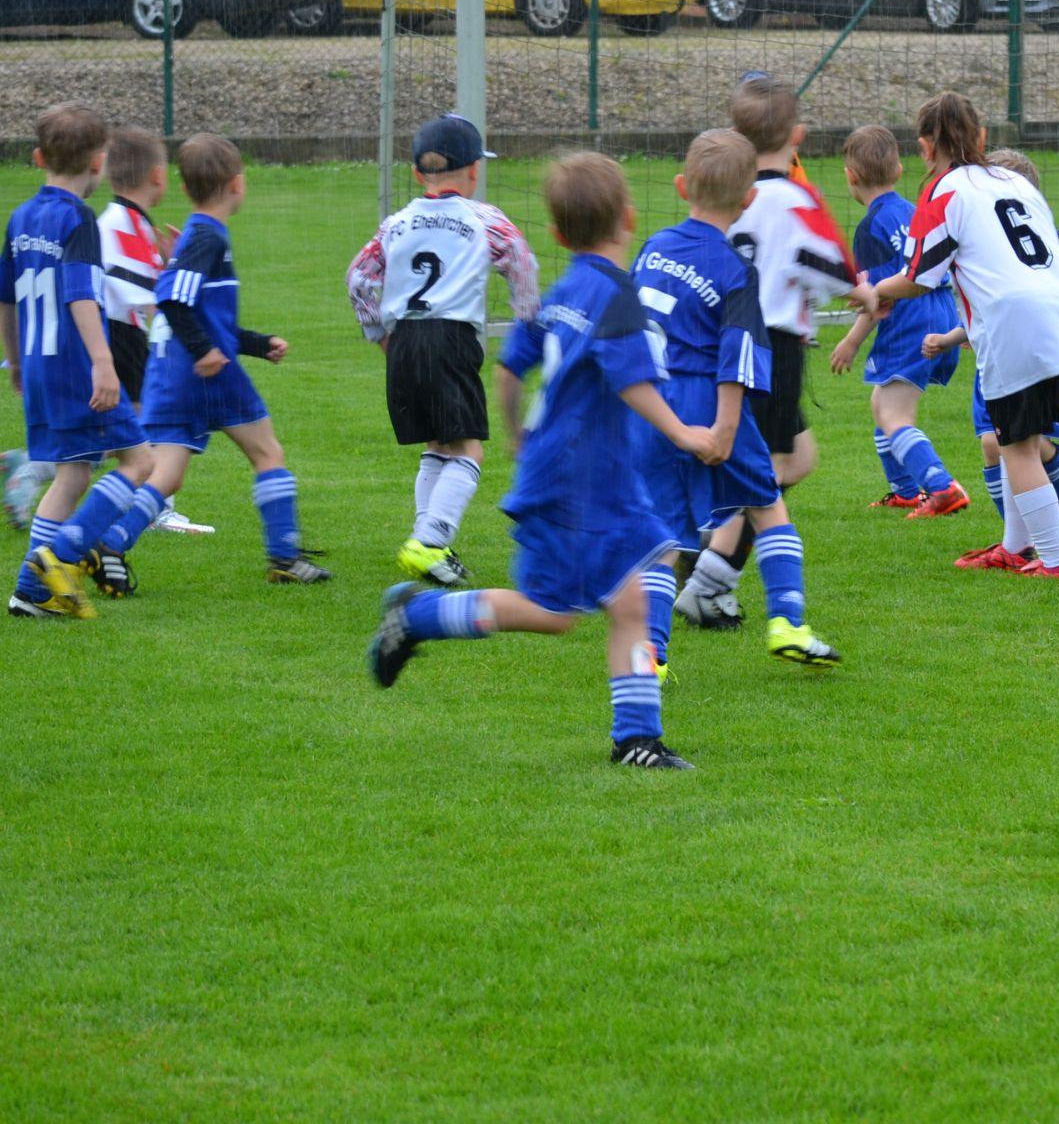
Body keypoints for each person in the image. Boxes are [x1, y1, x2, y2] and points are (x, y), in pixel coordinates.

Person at [368, 152, 722, 770]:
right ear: (630, 218)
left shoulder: (565, 291)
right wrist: (685, 433)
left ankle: (636, 739)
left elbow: (510, 366)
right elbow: (632, 381)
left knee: (631, 591)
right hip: (581, 485)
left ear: (557, 234)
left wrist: (516, 437)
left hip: (584, 477)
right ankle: (417, 614)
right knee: (557, 611)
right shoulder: (616, 295)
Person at [631, 129, 843, 670]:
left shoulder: (654, 248)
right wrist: (726, 427)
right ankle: (787, 623)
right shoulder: (734, 270)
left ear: (682, 186)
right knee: (767, 503)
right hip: (707, 400)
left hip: (653, 405)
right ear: (748, 199)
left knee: (662, 537)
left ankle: (651, 655)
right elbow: (737, 355)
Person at [850, 92, 1059, 578]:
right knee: (1016, 437)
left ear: (924, 147)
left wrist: (874, 291)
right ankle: (1015, 547)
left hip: (1015, 321)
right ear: (980, 136)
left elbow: (919, 276)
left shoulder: (944, 192)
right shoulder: (1013, 181)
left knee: (1016, 445)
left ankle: (1054, 561)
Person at [680, 75, 857, 629]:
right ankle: (707, 579)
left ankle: (706, 549)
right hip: (770, 348)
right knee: (767, 472)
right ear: (796, 135)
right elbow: (830, 265)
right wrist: (863, 292)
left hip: (722, 341)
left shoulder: (726, 196)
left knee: (796, 459)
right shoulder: (791, 198)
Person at [346, 113, 539, 587]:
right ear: (474, 169)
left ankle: (425, 541)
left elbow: (358, 279)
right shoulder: (484, 219)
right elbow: (521, 261)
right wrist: (526, 319)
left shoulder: (395, 224)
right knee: (468, 449)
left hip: (404, 341)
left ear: (417, 174)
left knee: (436, 443)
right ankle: (431, 541)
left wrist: (380, 335)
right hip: (451, 339)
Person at [138, 133, 331, 584]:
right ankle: (285, 557)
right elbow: (173, 300)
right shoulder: (207, 236)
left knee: (167, 475)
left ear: (184, 188)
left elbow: (203, 313)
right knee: (267, 452)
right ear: (237, 184)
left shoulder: (197, 235)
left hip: (177, 373)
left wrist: (259, 344)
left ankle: (108, 545)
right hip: (211, 372)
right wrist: (205, 351)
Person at [2, 102, 158, 617]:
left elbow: (6, 298)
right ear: (98, 161)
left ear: (38, 157)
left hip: (38, 366)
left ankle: (31, 593)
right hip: (77, 367)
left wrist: (15, 362)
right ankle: (59, 559)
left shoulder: (21, 218)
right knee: (140, 461)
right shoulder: (78, 219)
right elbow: (81, 294)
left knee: (71, 475)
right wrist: (102, 362)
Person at [921, 147, 1059, 548]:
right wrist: (951, 338)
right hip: (994, 360)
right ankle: (1017, 540)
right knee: (994, 445)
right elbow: (989, 307)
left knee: (1029, 445)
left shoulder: (1051, 242)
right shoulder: (980, 245)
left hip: (1037, 357)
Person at [828, 125, 967, 518]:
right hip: (944, 311)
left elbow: (880, 298)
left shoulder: (871, 227)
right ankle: (905, 491)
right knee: (883, 401)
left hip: (910, 319)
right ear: (899, 170)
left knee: (893, 414)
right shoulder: (915, 210)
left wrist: (852, 340)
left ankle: (941, 486)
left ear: (850, 176)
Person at [98, 125, 209, 536]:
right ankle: (156, 509)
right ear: (158, 176)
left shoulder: (128, 220)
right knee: (153, 420)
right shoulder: (124, 222)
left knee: (120, 431)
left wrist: (166, 260)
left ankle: (28, 469)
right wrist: (176, 267)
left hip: (117, 332)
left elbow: (140, 278)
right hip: (118, 333)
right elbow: (147, 293)